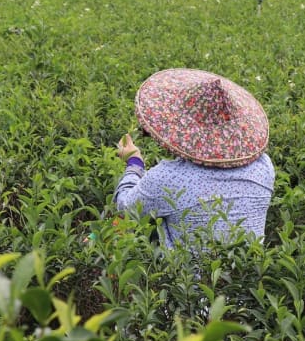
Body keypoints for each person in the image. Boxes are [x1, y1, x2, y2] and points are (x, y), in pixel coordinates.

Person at [114, 68, 274, 247]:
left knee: (117, 227)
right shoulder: (264, 165)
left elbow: (126, 208)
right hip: (250, 271)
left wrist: (134, 160)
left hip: (188, 274)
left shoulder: (168, 177)